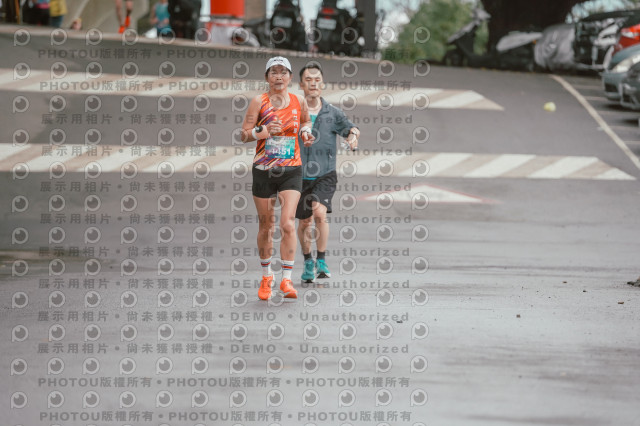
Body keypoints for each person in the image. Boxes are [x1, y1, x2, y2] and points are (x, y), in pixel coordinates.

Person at [241, 56, 315, 300]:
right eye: (274, 72)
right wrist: (261, 132)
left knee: (287, 223)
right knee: (266, 226)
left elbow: (305, 121)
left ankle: (286, 280)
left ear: (290, 77)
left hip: (291, 169)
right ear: (267, 77)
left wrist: (306, 133)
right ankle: (266, 277)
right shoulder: (258, 101)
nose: (279, 76)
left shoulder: (298, 100)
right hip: (263, 170)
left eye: (283, 72)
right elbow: (243, 134)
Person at [295, 63, 359, 283]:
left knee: (319, 213)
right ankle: (308, 261)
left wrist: (353, 136)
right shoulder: (294, 111)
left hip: (325, 174)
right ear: (301, 84)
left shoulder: (333, 112)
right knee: (304, 222)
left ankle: (321, 260)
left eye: (317, 80)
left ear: (322, 84)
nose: (313, 83)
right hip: (298, 175)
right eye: (308, 80)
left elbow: (351, 128)